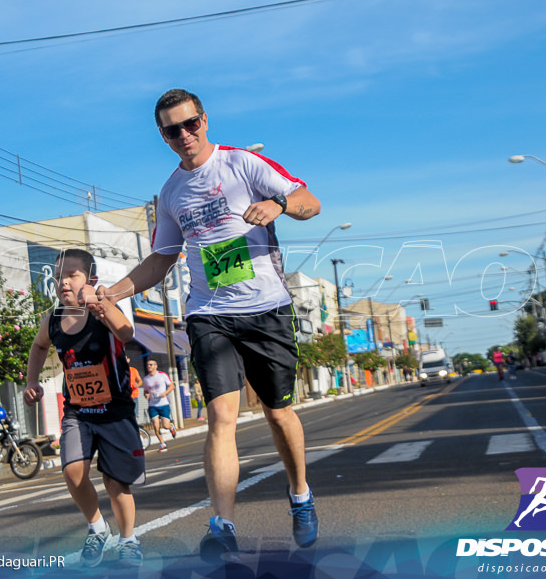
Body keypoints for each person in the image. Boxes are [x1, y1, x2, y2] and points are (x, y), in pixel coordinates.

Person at [102, 88, 322, 560]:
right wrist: (114, 291)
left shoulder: (243, 164)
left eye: (190, 124)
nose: (184, 135)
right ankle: (222, 525)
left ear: (205, 120)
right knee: (221, 416)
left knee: (277, 412)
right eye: (172, 129)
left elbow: (310, 201)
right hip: (209, 313)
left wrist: (279, 206)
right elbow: (161, 259)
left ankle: (300, 494)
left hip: (266, 307)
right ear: (162, 136)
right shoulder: (171, 193)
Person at [24, 249, 145, 568]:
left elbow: (126, 333)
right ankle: (97, 527)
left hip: (114, 408)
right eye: (58, 275)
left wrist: (102, 305)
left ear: (90, 279)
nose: (63, 281)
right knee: (72, 471)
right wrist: (31, 381)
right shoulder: (51, 319)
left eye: (72, 275)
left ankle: (129, 539)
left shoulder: (103, 310)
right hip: (77, 410)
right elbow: (38, 347)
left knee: (116, 481)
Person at [143, 359, 176, 452]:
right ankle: (162, 444)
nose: (149, 366)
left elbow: (172, 386)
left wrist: (165, 393)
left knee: (165, 426)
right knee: (156, 426)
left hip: (163, 404)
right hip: (152, 405)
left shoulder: (162, 375)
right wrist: (146, 394)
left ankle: (171, 427)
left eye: (151, 364)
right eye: (147, 365)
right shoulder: (146, 379)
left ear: (156, 366)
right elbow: (145, 391)